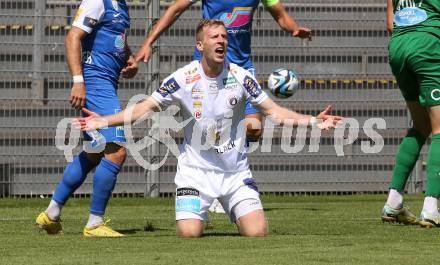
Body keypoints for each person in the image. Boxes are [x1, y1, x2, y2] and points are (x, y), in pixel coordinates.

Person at [77, 19, 341, 237]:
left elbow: (275, 112)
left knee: (257, 233)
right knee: (189, 234)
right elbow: (143, 108)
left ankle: (237, 212)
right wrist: (104, 121)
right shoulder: (183, 78)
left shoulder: (241, 76)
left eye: (224, 37)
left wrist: (314, 121)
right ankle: (204, 211)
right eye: (215, 37)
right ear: (200, 45)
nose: (221, 41)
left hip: (235, 174)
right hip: (195, 175)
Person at [135, 0, 311, 213]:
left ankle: (229, 184)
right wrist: (148, 42)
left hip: (241, 69)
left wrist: (294, 28)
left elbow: (279, 13)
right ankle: (204, 189)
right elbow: (175, 8)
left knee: (254, 129)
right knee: (210, 130)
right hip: (208, 71)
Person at [35, 0, 138, 237]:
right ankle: (94, 223)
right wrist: (79, 82)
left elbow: (111, 37)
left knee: (94, 152)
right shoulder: (96, 1)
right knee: (117, 151)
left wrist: (128, 58)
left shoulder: (119, 5)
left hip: (106, 83)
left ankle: (51, 213)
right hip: (96, 83)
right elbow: (73, 37)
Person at [381, 0, 440, 227]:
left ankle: (393, 202)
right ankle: (431, 208)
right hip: (427, 44)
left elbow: (390, 23)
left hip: (399, 46)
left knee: (421, 125)